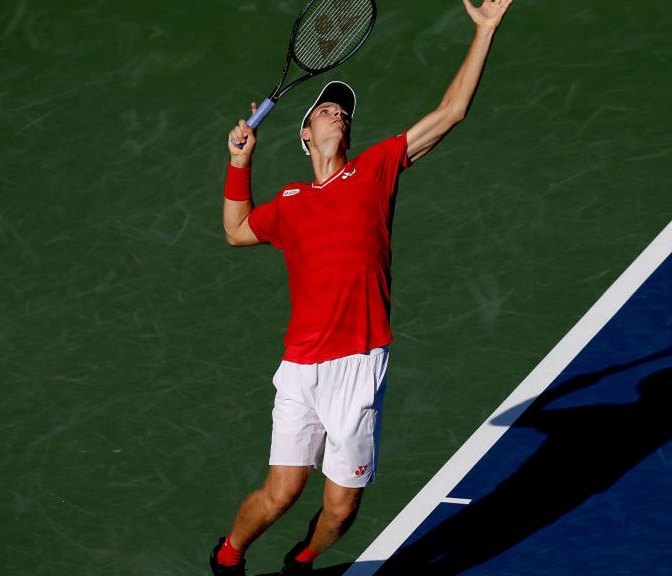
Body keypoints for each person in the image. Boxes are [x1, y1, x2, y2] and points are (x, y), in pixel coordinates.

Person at [209, 1, 514, 575]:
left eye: (344, 112)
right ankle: (228, 557)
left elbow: (451, 112)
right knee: (281, 493)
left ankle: (302, 562)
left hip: (359, 361)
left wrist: (485, 32)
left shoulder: (375, 169)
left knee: (341, 508)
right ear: (304, 134)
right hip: (302, 366)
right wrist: (238, 162)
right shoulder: (290, 205)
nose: (338, 116)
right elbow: (234, 230)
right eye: (327, 109)